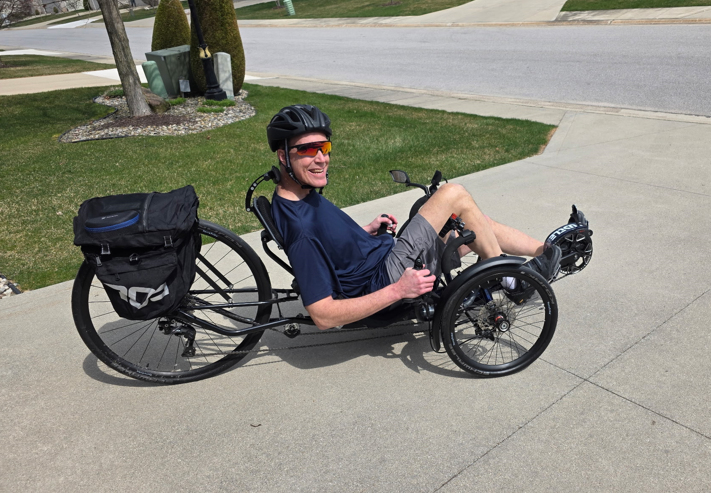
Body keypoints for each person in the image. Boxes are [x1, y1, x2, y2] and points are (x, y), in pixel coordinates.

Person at [268, 105, 561, 330]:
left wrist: (365, 231)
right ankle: (512, 281)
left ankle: (547, 251)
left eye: (324, 148)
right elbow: (323, 315)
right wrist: (398, 290)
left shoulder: (297, 194)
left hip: (383, 259)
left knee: (473, 220)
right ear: (283, 156)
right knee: (453, 194)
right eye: (308, 150)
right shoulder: (300, 229)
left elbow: (328, 241)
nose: (321, 158)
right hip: (386, 277)